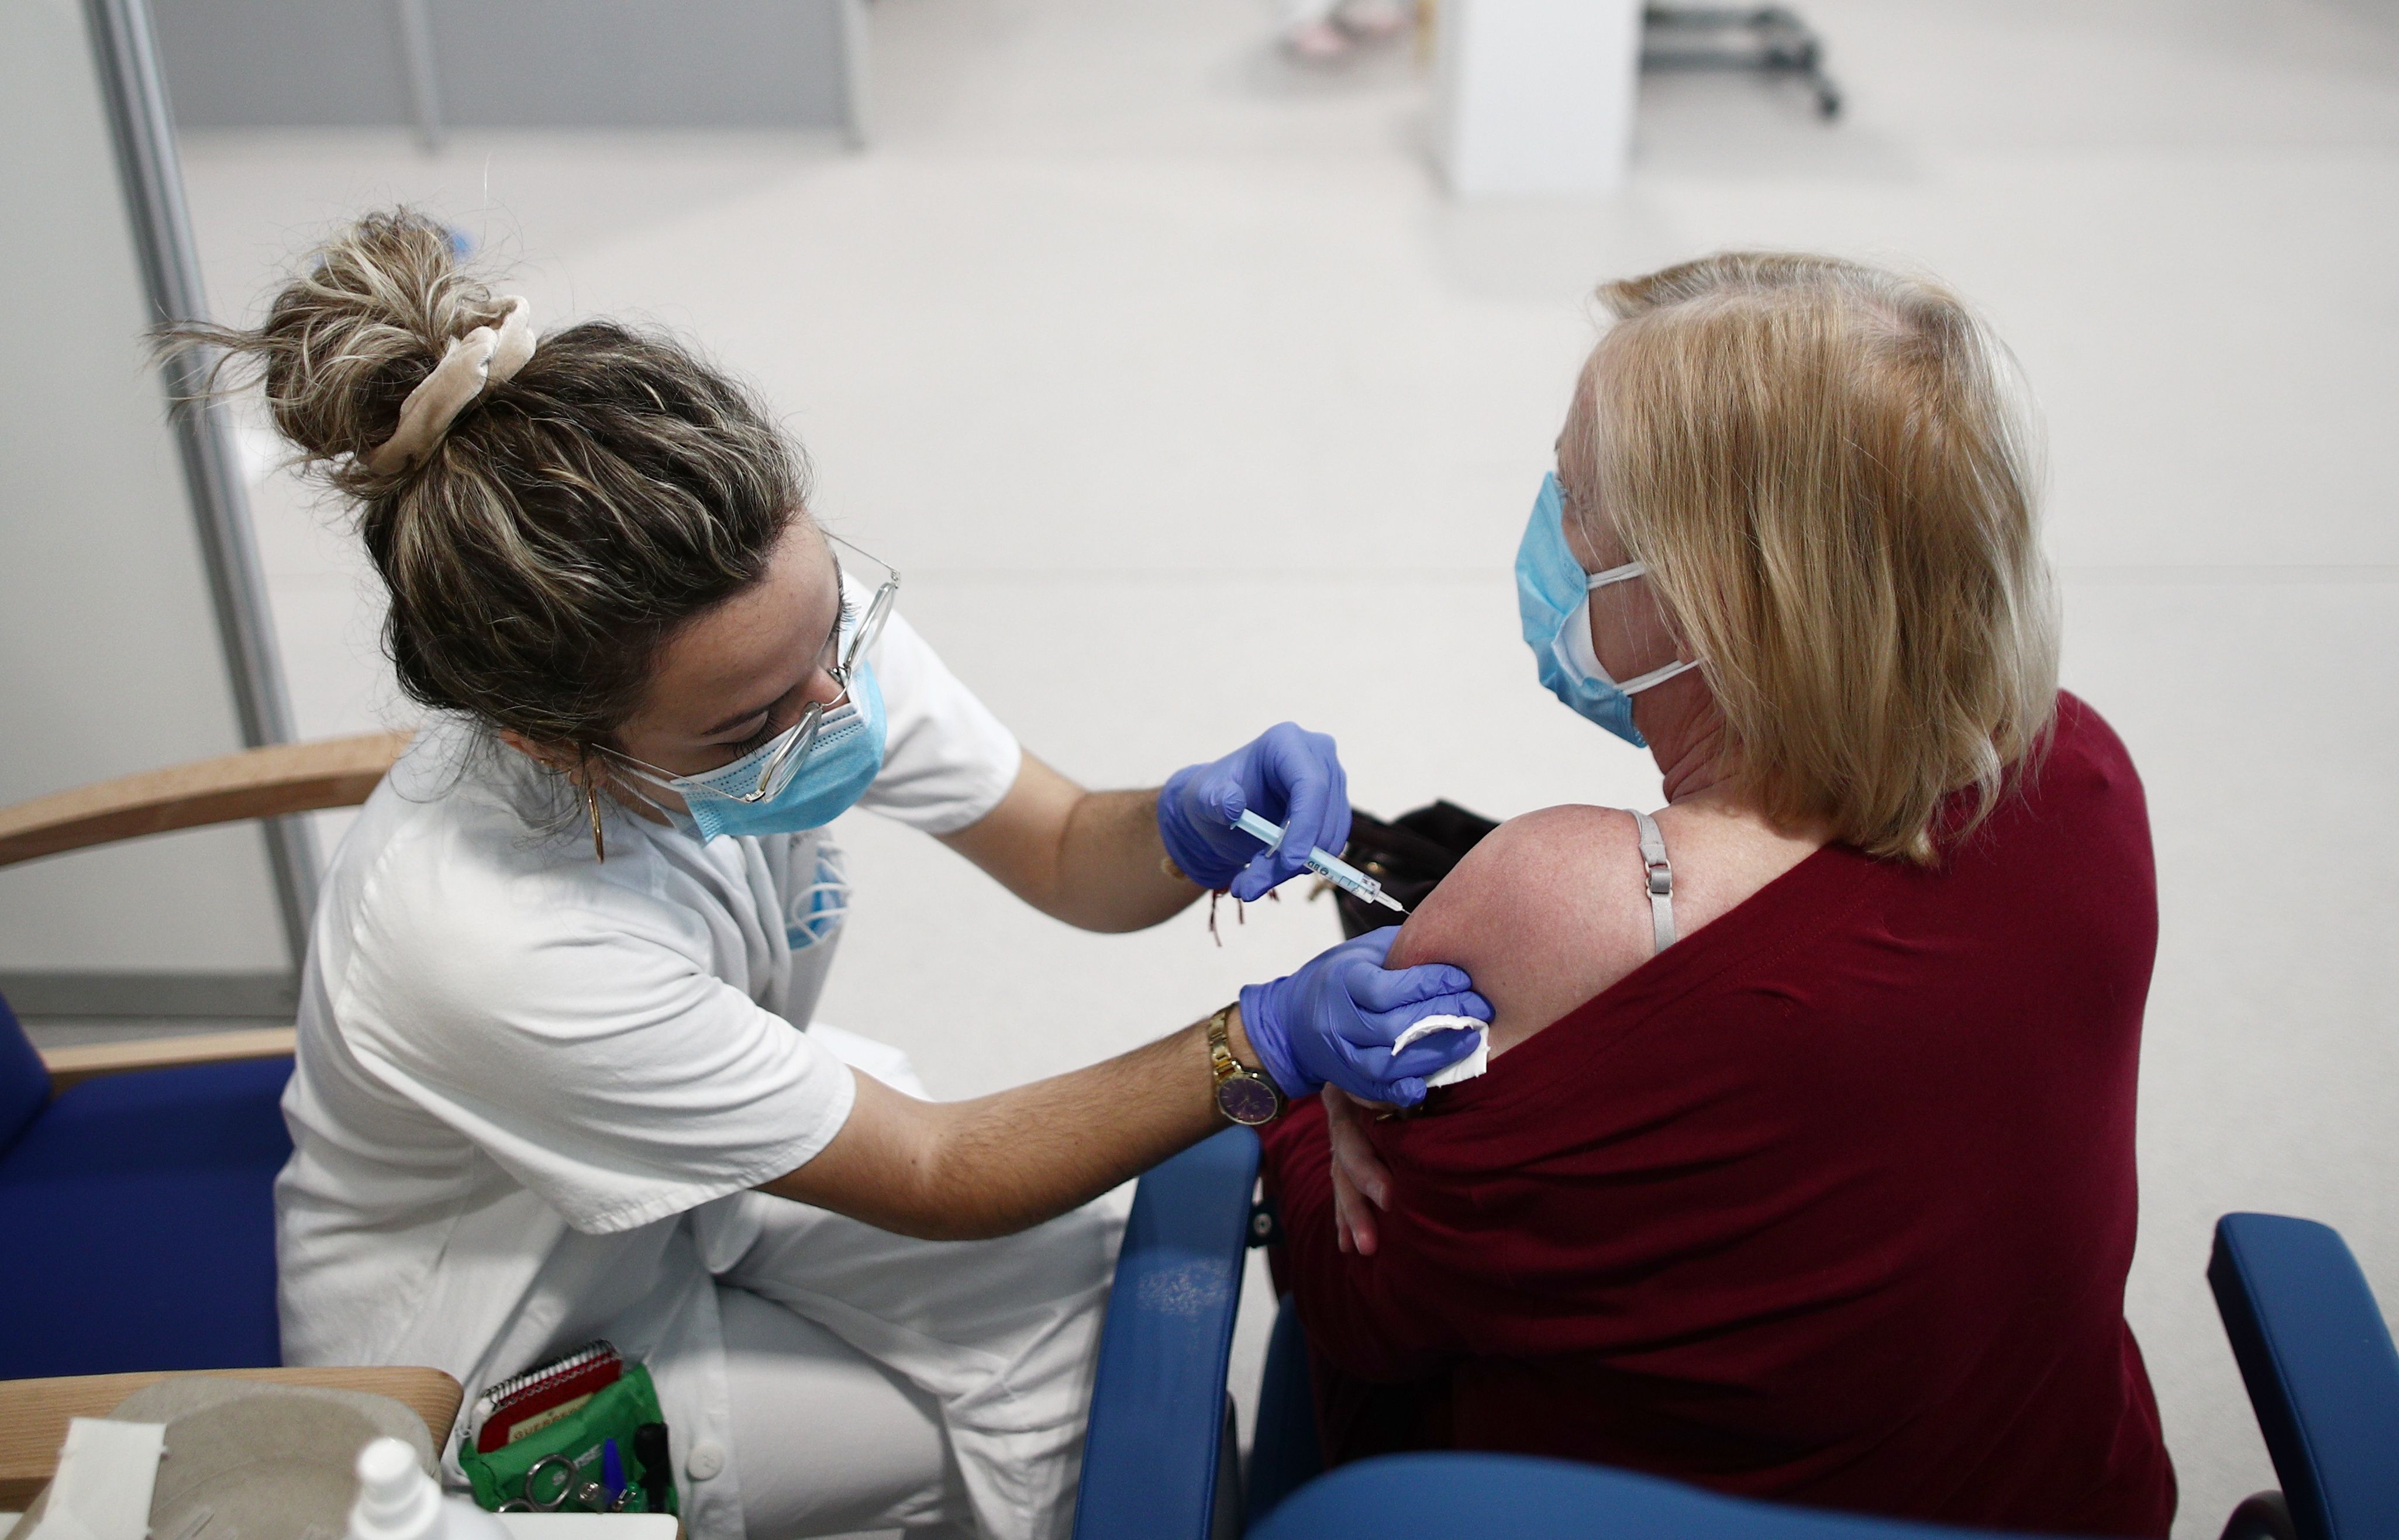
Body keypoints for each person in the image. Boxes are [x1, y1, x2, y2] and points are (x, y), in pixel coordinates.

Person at [174, 211, 1485, 1540]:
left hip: (720, 1185)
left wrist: (1184, 826)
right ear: (546, 740)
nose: (834, 706)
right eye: (749, 726)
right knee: (1097, 1403)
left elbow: (1056, 844)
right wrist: (1261, 1040)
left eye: (833, 637)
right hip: (508, 1343)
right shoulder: (489, 940)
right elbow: (937, 1173)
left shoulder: (771, 625)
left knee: (1102, 1295)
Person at [1259, 253, 2179, 1536]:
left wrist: (1298, 1081)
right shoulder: (2074, 768)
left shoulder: (1564, 903)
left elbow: (1361, 1295)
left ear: (1714, 591)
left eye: (1578, 503)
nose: (1549, 534)